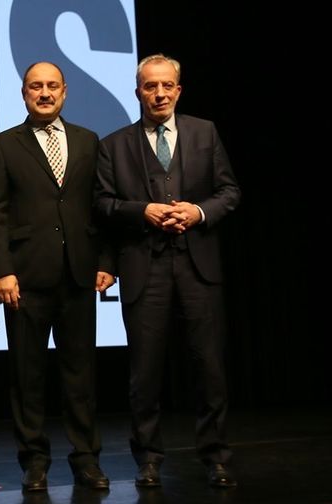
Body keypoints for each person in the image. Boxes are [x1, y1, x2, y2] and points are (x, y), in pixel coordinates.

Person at [94, 53, 241, 489]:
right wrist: (143, 210)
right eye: (150, 86)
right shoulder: (114, 144)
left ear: (178, 90)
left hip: (198, 265)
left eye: (166, 86)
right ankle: (149, 459)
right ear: (138, 91)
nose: (159, 93)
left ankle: (215, 456)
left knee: (209, 367)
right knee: (145, 372)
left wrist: (198, 211)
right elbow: (102, 204)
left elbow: (229, 191)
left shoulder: (204, 132)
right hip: (145, 266)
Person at [0, 61, 115, 492]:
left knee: (81, 375)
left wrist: (106, 261)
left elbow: (102, 206)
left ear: (64, 91)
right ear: (24, 93)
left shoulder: (88, 140)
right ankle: (34, 462)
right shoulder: (4, 144)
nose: (44, 93)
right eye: (35, 86)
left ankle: (86, 459)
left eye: (52, 86)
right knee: (28, 376)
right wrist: (2, 270)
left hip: (78, 275)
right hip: (25, 279)